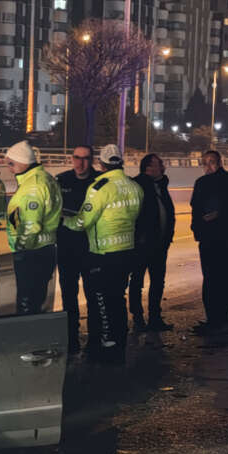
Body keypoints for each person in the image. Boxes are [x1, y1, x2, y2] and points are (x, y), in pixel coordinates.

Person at [64, 144, 141, 365]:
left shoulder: (99, 187)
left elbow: (83, 222)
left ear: (101, 163)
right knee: (118, 298)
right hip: (126, 251)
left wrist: (65, 220)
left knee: (103, 301)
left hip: (102, 253)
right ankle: (120, 342)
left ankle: (108, 347)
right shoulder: (134, 186)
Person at [190, 149, 228, 335]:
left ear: (220, 162)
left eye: (211, 162)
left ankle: (223, 318)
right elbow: (195, 209)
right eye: (204, 162)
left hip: (224, 236)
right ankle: (215, 318)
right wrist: (197, 229)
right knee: (212, 278)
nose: (208, 166)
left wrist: (219, 214)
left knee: (222, 278)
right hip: (211, 238)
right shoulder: (201, 182)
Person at [4, 141, 62, 315]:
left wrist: (20, 247)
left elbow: (30, 225)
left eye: (11, 163)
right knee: (36, 300)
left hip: (32, 252)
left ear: (23, 162)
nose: (9, 168)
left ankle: (27, 339)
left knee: (27, 305)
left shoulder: (33, 186)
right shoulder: (44, 179)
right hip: (43, 249)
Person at [56, 145, 98, 354]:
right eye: (76, 158)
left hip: (91, 250)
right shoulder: (61, 180)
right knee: (68, 297)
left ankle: (95, 340)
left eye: (85, 158)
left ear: (92, 160)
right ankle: (71, 339)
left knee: (93, 296)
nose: (80, 163)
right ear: (71, 158)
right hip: (66, 250)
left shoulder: (100, 182)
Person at [130, 153, 176, 332]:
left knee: (158, 282)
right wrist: (139, 237)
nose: (163, 166)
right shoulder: (137, 186)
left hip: (160, 244)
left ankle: (155, 317)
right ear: (148, 168)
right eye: (159, 164)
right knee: (137, 282)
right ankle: (138, 318)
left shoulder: (161, 186)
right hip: (142, 245)